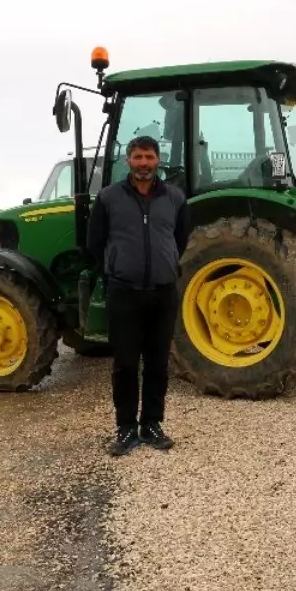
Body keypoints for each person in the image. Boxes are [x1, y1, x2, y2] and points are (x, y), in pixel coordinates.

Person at [86, 135, 189, 456]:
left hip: (163, 292)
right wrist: (116, 271)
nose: (144, 163)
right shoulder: (107, 198)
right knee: (125, 364)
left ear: (158, 161)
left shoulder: (174, 198)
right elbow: (94, 243)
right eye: (138, 157)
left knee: (158, 364)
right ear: (127, 161)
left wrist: (165, 265)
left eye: (149, 157)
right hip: (124, 293)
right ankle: (126, 428)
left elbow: (181, 239)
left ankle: (153, 425)